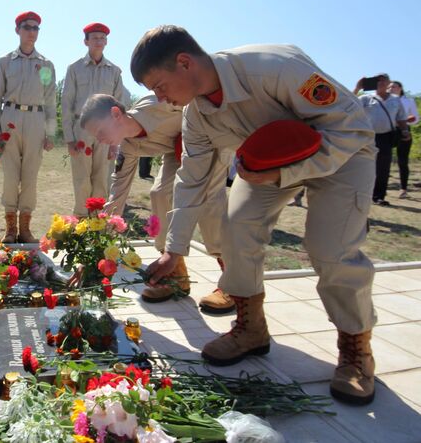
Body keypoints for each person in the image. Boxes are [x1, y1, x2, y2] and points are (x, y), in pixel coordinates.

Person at [136, 25, 378, 405]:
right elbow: (191, 182)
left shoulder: (273, 67)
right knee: (236, 226)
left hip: (340, 153)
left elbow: (351, 126)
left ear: (184, 62)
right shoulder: (196, 116)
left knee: (330, 249)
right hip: (268, 165)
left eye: (159, 85)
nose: (159, 97)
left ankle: (356, 349)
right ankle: (251, 328)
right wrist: (174, 249)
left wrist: (284, 173)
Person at [80, 93, 234, 313]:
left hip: (211, 141)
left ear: (116, 114)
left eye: (101, 132)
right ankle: (175, 274)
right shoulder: (128, 147)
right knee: (159, 193)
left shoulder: (157, 104)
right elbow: (117, 196)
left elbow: (197, 99)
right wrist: (99, 246)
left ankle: (233, 281)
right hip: (178, 150)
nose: (100, 140)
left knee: (209, 204)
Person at [0, 11, 56, 243]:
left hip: (36, 120)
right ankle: (10, 228)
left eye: (36, 27)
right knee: (10, 175)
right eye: (27, 27)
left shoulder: (46, 64)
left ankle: (25, 228)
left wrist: (50, 133)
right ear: (17, 30)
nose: (32, 31)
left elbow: (50, 100)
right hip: (10, 118)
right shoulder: (5, 62)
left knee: (30, 176)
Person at [61, 23, 124, 216]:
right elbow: (66, 104)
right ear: (86, 41)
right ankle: (81, 220)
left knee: (102, 177)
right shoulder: (75, 69)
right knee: (81, 178)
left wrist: (116, 142)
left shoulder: (114, 71)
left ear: (106, 42)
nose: (99, 41)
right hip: (82, 128)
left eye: (102, 38)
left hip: (106, 131)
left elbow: (119, 108)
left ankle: (97, 222)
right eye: (94, 37)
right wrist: (70, 138)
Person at [354, 74, 409, 206]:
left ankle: (378, 196)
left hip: (386, 136)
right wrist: (357, 88)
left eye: (384, 80)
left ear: (389, 83)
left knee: (383, 168)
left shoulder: (396, 100)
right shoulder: (366, 98)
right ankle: (361, 193)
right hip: (368, 137)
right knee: (364, 165)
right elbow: (349, 104)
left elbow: (401, 117)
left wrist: (405, 131)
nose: (381, 83)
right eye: (378, 80)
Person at [389, 81, 417, 199]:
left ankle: (403, 189)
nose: (390, 88)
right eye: (389, 87)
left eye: (393, 87)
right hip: (388, 131)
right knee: (382, 160)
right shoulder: (385, 100)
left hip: (403, 131)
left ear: (400, 88)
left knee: (403, 161)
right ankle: (379, 188)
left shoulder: (409, 101)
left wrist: (403, 121)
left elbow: (416, 119)